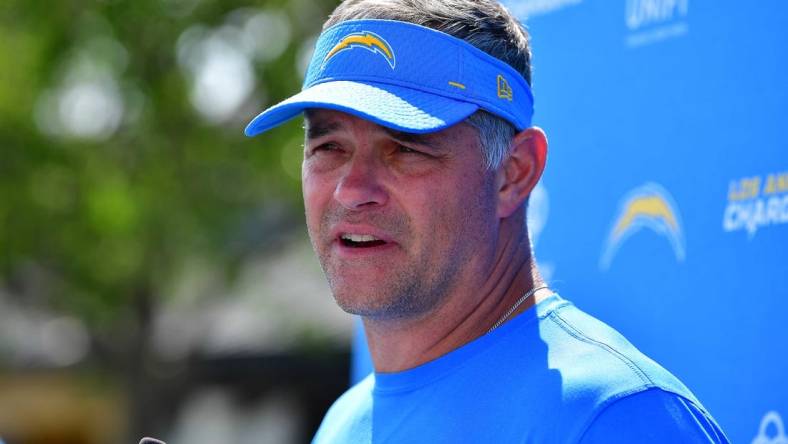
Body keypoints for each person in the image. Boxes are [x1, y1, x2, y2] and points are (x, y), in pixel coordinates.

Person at [245, 0, 730, 442]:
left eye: (404, 149)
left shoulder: (615, 418)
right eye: (328, 147)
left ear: (514, 174)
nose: (352, 190)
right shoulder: (343, 424)